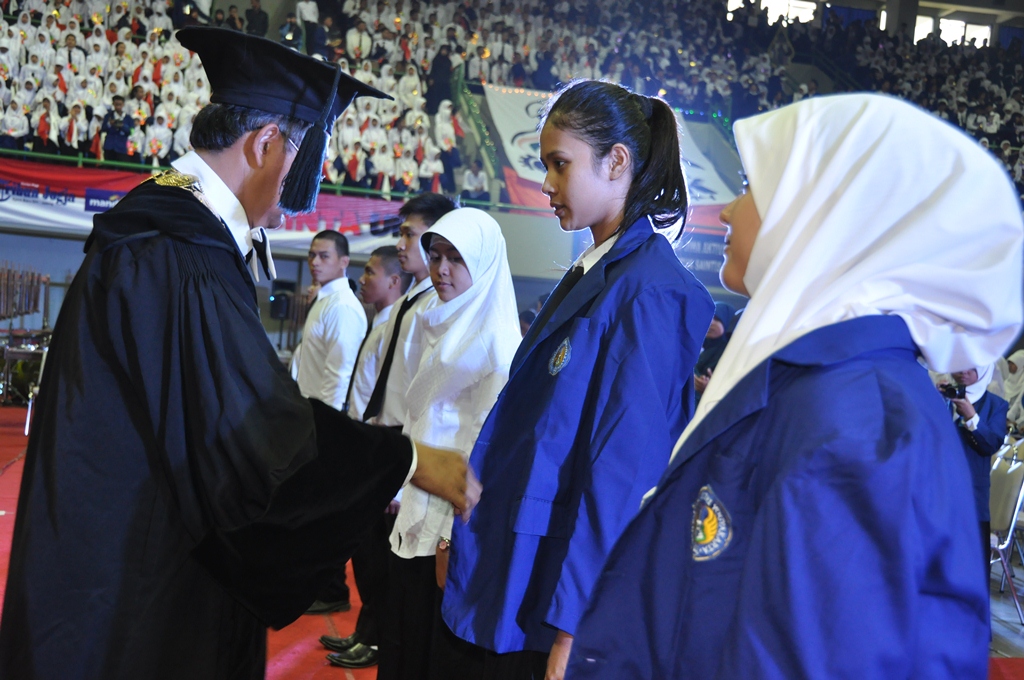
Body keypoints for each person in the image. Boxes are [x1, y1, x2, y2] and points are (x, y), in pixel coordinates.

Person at [0, 27, 477, 680]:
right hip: (139, 596)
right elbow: (252, 441)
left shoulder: (161, 235)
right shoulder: (178, 254)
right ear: (264, 144)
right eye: (301, 157)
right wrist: (406, 460)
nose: (290, 204)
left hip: (118, 562)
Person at [566, 94, 1023, 679]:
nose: (729, 210)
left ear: (822, 213)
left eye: (750, 187)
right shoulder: (823, 384)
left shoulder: (858, 417)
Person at [437, 80, 715, 679]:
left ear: (617, 162)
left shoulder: (650, 289)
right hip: (515, 564)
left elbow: (623, 470)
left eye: (560, 165)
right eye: (545, 166)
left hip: (555, 590)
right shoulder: (595, 272)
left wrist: (577, 624)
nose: (546, 184)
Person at [376, 208, 521, 680]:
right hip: (416, 511)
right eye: (435, 255)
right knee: (402, 645)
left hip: (448, 532)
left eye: (455, 259)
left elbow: (483, 453)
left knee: (430, 655)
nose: (440, 269)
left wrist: (447, 538)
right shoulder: (441, 324)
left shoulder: (497, 343)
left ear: (482, 264)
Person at [320, 245, 412, 668]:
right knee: (365, 552)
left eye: (371, 271)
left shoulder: (403, 321)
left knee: (376, 559)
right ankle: (364, 631)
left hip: (378, 446)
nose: (363, 277)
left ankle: (374, 638)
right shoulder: (381, 320)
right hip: (363, 441)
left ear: (394, 280)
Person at [940, 366, 1009, 570]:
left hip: (970, 494)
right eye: (959, 364)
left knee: (969, 566)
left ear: (985, 369)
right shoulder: (937, 396)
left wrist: (972, 418)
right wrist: (934, 400)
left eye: (972, 367)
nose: (963, 371)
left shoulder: (995, 405)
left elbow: (990, 445)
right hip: (936, 488)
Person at [693, 301, 736, 396]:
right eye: (708, 318)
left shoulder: (731, 353)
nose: (711, 322)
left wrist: (710, 389)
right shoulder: (697, 350)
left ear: (728, 322)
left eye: (717, 319)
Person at [101, 94, 134, 162]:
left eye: (120, 104)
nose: (118, 106)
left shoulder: (128, 118)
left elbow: (131, 132)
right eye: (116, 104)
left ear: (123, 104)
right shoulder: (108, 116)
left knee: (121, 170)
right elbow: (103, 129)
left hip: (121, 147)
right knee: (108, 169)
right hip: (109, 146)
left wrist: (122, 126)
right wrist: (110, 124)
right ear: (113, 104)